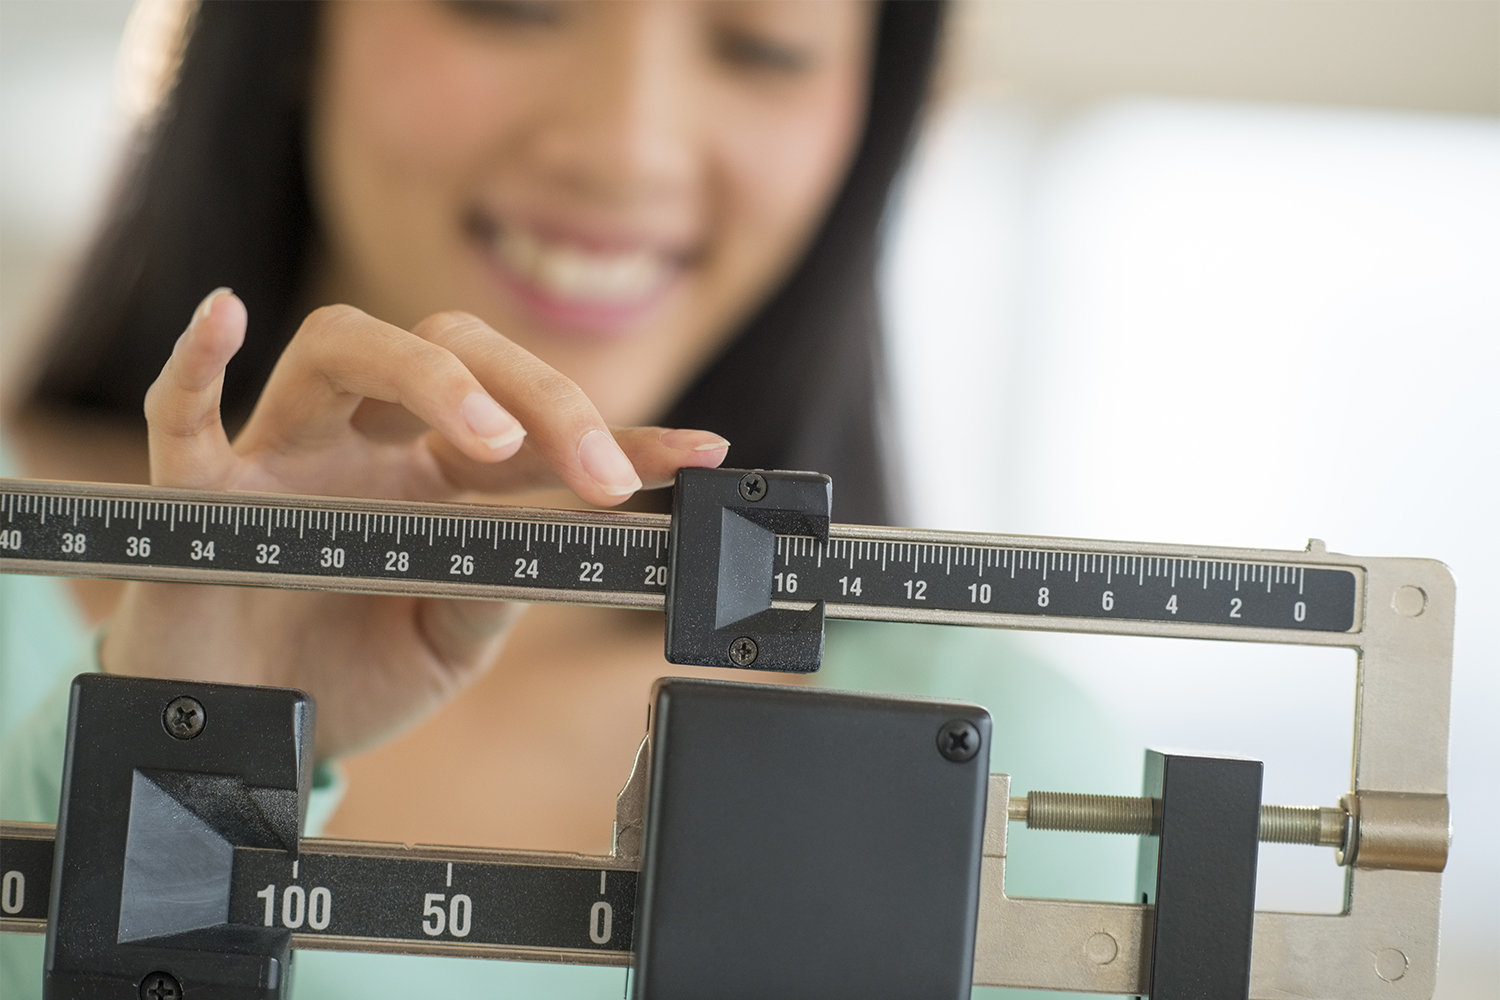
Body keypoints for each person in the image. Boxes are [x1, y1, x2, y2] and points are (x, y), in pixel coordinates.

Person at [1, 3, 1131, 997]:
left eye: (764, 44)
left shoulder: (1024, 765)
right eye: (510, 5)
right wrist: (176, 759)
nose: (625, 150)